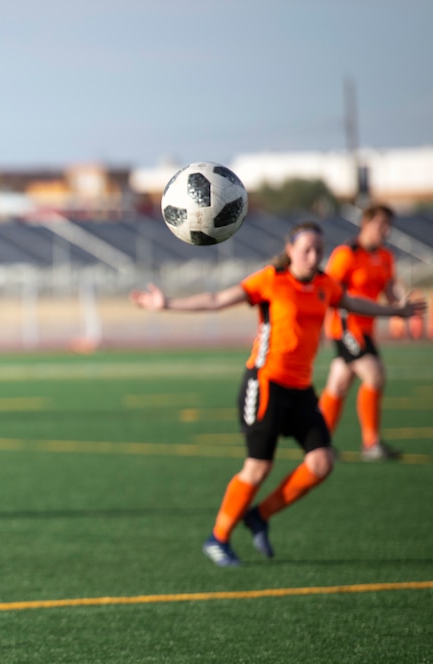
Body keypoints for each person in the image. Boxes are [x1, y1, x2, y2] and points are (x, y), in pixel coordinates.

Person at [130, 222, 425, 567]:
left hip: (301, 390)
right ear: (291, 249)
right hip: (265, 384)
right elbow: (217, 300)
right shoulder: (270, 280)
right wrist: (166, 304)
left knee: (321, 462)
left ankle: (259, 515)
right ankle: (218, 538)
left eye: (319, 250)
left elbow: (354, 303)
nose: (314, 257)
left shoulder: (324, 285)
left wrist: (397, 311)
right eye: (307, 250)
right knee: (257, 467)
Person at [318, 204, 410, 460]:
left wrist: (400, 309)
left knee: (338, 384)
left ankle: (318, 443)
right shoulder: (346, 254)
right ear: (365, 223)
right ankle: (371, 443)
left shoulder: (385, 257)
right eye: (381, 224)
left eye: (388, 225)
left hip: (367, 329)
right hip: (346, 326)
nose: (386, 230)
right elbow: (331, 291)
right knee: (375, 373)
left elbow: (390, 291)